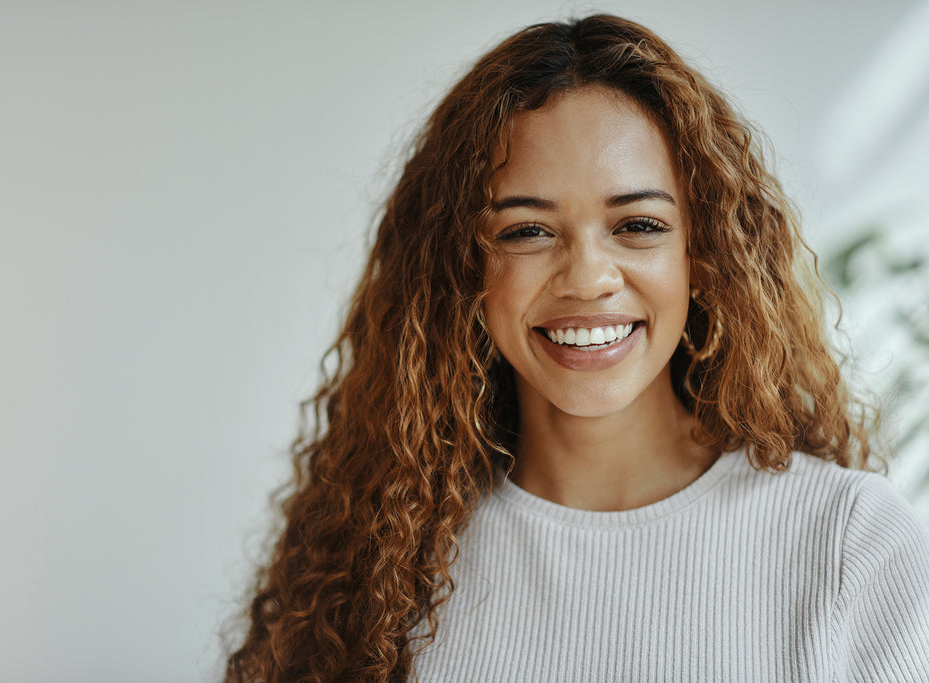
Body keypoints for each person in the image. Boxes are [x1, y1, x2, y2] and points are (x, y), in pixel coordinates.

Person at [225, 14, 929, 682]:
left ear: (705, 254)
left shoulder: (846, 544)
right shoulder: (380, 565)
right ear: (464, 270)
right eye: (527, 230)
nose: (588, 278)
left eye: (638, 225)